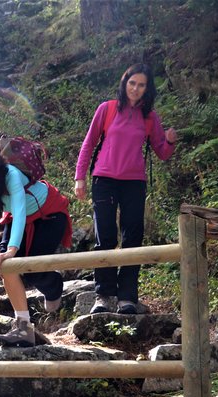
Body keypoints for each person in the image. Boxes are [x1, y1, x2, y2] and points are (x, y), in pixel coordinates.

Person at [74, 63, 178, 315]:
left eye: (141, 85)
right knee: (105, 237)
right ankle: (104, 296)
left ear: (147, 89)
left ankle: (127, 297)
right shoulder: (107, 109)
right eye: (132, 83)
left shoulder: (150, 117)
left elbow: (162, 152)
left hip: (134, 183)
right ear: (124, 83)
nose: (135, 88)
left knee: (133, 237)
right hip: (104, 180)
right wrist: (80, 178)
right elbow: (88, 144)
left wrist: (171, 142)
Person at [0, 138, 72, 347]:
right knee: (5, 266)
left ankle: (54, 285)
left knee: (32, 269)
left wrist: (11, 251)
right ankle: (23, 329)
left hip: (49, 214)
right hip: (17, 218)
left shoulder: (9, 174)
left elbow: (19, 210)